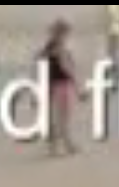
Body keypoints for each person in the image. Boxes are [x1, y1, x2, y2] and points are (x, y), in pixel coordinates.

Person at [38, 19, 79, 156]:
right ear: (61, 33)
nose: (67, 35)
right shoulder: (59, 47)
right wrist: (76, 83)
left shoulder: (49, 47)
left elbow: (40, 59)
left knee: (60, 118)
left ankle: (64, 145)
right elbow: (66, 67)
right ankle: (61, 146)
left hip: (54, 85)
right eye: (66, 32)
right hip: (63, 85)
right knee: (63, 118)